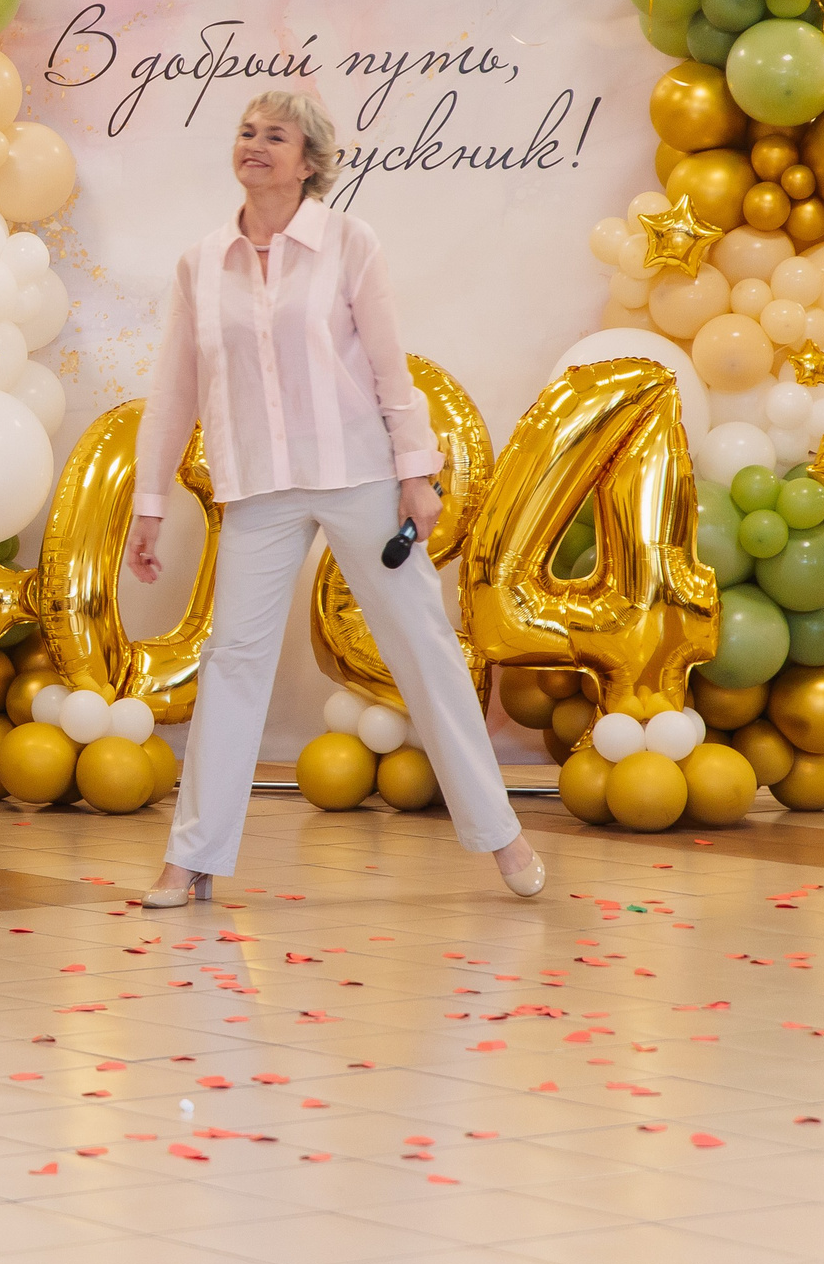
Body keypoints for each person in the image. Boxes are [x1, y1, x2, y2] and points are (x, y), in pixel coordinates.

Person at [127, 91, 545, 905]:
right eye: (246, 132)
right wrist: (149, 500)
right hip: (257, 484)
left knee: (423, 646)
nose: (254, 145)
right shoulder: (199, 262)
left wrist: (415, 473)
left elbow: (392, 366)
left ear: (309, 160)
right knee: (232, 662)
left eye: (274, 136)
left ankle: (503, 835)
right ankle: (193, 856)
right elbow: (174, 389)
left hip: (358, 472)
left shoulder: (351, 243)